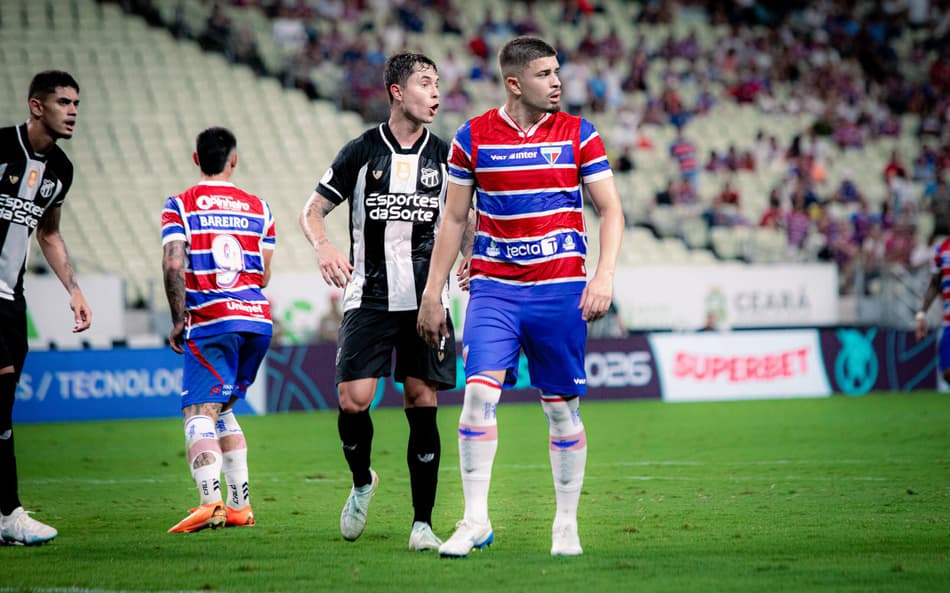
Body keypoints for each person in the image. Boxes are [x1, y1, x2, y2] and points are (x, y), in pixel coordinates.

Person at [417, 36, 624, 558]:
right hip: (496, 290)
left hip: (560, 292)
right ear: (515, 83)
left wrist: (603, 277)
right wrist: (432, 292)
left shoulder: (581, 135)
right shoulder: (473, 136)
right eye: (545, 74)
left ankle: (565, 524)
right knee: (477, 398)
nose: (557, 82)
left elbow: (611, 211)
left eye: (558, 72)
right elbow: (455, 218)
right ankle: (475, 521)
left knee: (560, 410)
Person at [299, 52, 467, 552]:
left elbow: (466, 216)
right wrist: (323, 244)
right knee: (353, 400)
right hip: (368, 295)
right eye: (424, 83)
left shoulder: (446, 156)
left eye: (438, 83)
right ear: (397, 92)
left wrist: (473, 255)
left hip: (427, 299)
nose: (435, 92)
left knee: (422, 400)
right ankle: (362, 481)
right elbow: (312, 211)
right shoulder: (361, 151)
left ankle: (422, 524)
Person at [161, 127, 276, 533]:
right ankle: (240, 507)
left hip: (211, 320)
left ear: (196, 160)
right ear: (234, 159)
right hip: (257, 322)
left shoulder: (180, 205)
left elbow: (174, 264)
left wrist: (178, 318)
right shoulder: (259, 207)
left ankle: (209, 502)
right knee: (223, 408)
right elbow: (262, 275)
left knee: (198, 412)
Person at [0, 70, 91, 546]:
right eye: (63, 102)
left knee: (2, 407)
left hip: (12, 301)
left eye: (76, 102)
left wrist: (72, 289)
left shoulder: (61, 170)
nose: (73, 110)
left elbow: (48, 233)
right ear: (37, 106)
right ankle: (10, 512)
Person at [915, 235, 950, 382]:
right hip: (948, 322)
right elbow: (934, 285)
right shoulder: (942, 250)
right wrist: (921, 314)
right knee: (947, 373)